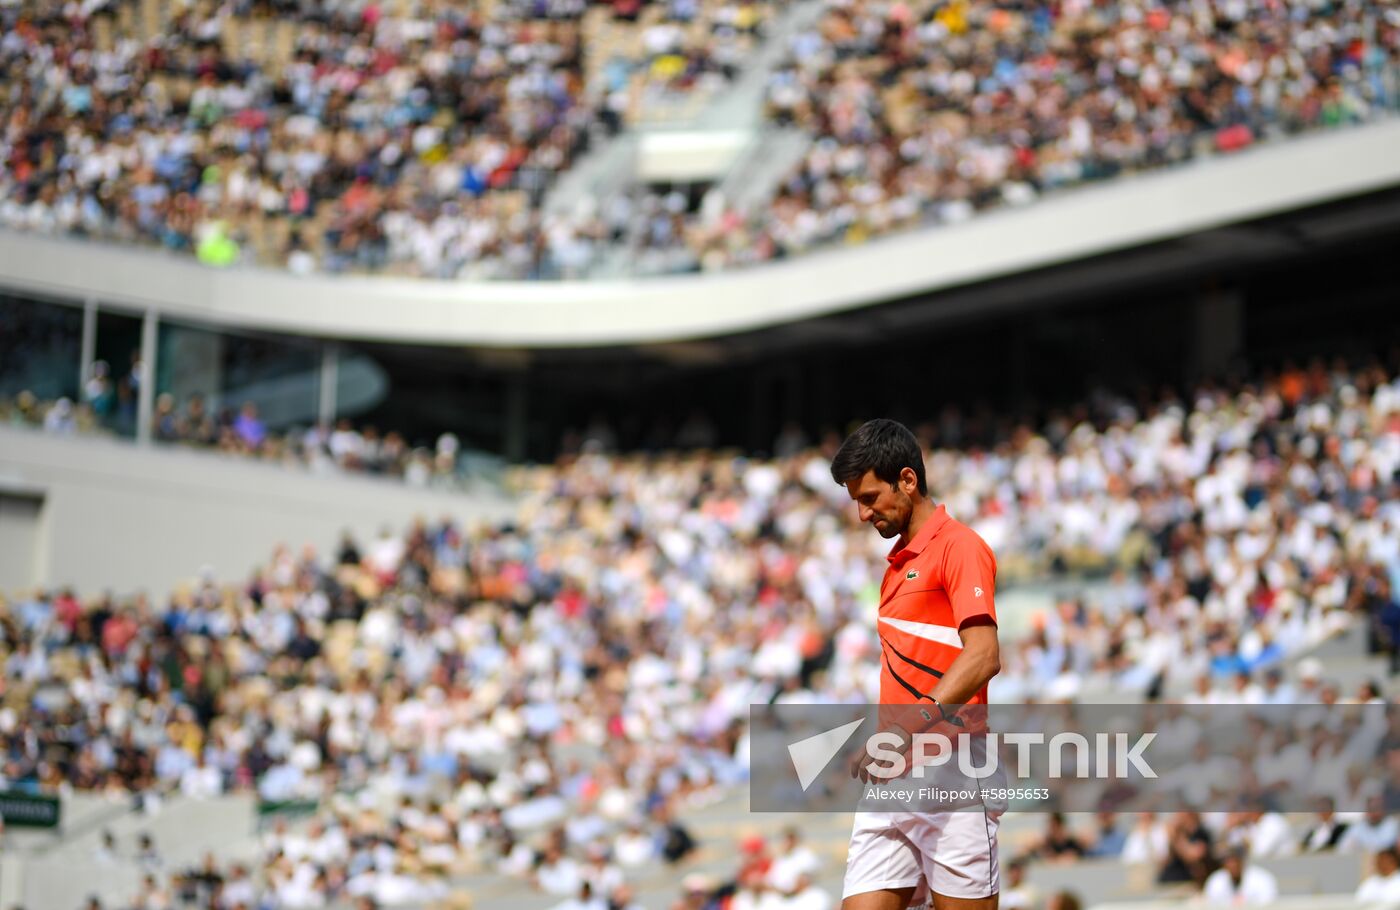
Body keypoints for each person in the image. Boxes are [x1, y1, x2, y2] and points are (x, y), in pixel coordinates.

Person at [830, 419, 1002, 910]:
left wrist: (909, 728)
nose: (863, 514)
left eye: (868, 498)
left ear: (907, 480)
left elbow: (984, 654)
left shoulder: (959, 546)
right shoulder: (896, 566)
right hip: (894, 777)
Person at [1201, 847, 1278, 905]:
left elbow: (1269, 904)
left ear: (1242, 861)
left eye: (1235, 861)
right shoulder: (1216, 880)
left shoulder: (1262, 879)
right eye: (1228, 861)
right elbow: (1210, 903)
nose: (1232, 865)